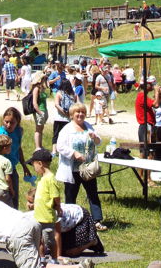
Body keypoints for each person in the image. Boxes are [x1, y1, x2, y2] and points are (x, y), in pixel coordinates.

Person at [56, 103, 107, 231]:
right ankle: (70, 222)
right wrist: (74, 153)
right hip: (72, 169)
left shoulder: (88, 126)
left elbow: (98, 141)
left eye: (83, 112)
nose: (80, 115)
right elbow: (60, 146)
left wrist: (95, 137)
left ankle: (97, 221)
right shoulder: (67, 129)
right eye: (77, 113)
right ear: (72, 115)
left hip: (87, 169)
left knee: (93, 194)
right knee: (71, 196)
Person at [26, 188, 103, 257]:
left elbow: (57, 235)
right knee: (54, 250)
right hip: (65, 226)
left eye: (31, 202)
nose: (28, 205)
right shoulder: (38, 213)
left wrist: (58, 257)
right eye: (27, 201)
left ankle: (93, 241)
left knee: (69, 252)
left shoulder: (52, 212)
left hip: (81, 219)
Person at [0, 107, 33, 209]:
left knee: (14, 197)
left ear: (18, 122)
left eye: (12, 122)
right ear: (3, 120)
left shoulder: (18, 131)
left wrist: (24, 166)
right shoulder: (0, 134)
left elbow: (19, 148)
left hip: (12, 168)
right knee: (2, 196)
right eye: (6, 122)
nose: (8, 125)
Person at [27, 148, 63, 262]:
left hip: (47, 217)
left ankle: (54, 259)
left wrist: (58, 206)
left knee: (49, 240)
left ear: (40, 163)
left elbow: (55, 196)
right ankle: (41, 259)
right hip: (38, 216)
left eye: (34, 165)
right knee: (39, 240)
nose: (34, 168)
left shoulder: (50, 178)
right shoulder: (43, 178)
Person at [135, 76, 157, 159]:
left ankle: (148, 171)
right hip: (146, 125)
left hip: (148, 125)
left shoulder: (143, 96)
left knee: (149, 151)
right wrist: (157, 92)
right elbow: (156, 104)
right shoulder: (142, 96)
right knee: (147, 152)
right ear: (146, 85)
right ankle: (144, 171)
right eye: (151, 85)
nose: (152, 86)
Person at [53, 79, 76, 154]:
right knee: (67, 135)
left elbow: (56, 104)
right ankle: (65, 150)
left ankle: (54, 151)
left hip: (59, 118)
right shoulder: (72, 94)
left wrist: (63, 111)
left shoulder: (59, 93)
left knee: (56, 134)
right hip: (68, 119)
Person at [31, 72, 49, 150]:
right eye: (43, 78)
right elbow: (34, 103)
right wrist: (39, 112)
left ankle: (40, 146)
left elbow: (48, 84)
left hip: (44, 110)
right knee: (38, 129)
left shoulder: (42, 88)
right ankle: (37, 147)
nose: (44, 79)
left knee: (41, 129)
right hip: (39, 111)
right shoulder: (36, 89)